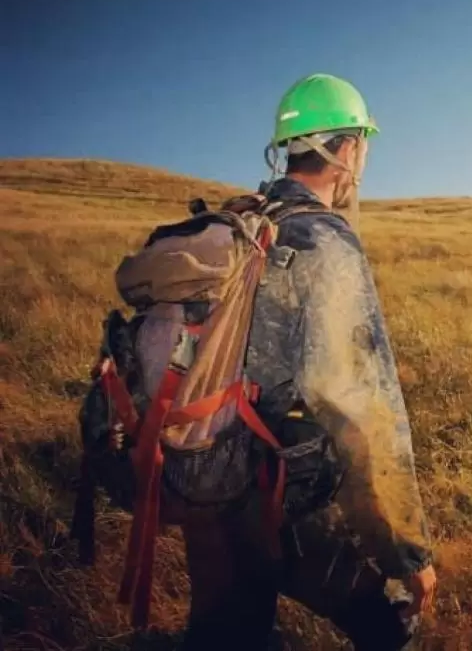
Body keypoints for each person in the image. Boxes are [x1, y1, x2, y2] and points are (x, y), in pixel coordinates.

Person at [180, 74, 436, 650]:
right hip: (283, 498)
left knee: (226, 635)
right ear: (346, 150)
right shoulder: (324, 242)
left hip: (207, 477)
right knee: (391, 625)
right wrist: (407, 550)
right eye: (363, 146)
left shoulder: (242, 226)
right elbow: (362, 410)